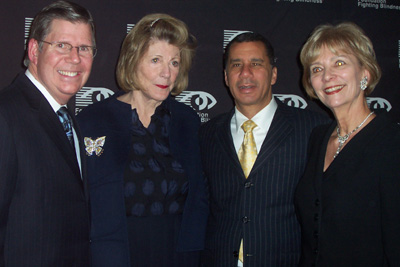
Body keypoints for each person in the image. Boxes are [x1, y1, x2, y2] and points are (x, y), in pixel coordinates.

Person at [77, 13, 208, 267]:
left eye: (174, 63)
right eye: (156, 60)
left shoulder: (187, 121)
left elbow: (199, 200)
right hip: (115, 256)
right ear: (133, 60)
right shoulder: (93, 121)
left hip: (177, 255)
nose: (166, 73)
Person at [199, 32, 328, 266]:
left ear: (273, 74)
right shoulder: (206, 134)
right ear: (226, 77)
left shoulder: (313, 129)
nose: (245, 73)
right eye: (236, 65)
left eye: (256, 64)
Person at [294, 22, 400, 266]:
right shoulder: (318, 138)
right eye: (317, 68)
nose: (327, 76)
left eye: (339, 63)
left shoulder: (391, 143)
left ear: (365, 73)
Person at [0, 1, 96, 265]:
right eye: (62, 45)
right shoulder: (5, 115)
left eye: (84, 48)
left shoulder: (68, 120)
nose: (75, 58)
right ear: (34, 50)